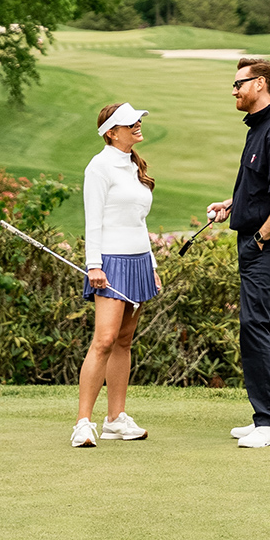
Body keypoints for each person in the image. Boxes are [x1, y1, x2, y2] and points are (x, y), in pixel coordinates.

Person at [206, 58, 270, 449]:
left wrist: (260, 238)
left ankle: (267, 421)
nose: (233, 90)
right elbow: (264, 185)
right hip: (257, 237)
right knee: (269, 326)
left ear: (260, 84)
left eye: (238, 83)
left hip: (266, 244)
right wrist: (235, 203)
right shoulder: (260, 126)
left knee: (254, 327)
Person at [73, 102, 162, 448]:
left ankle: (115, 419)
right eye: (130, 123)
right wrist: (93, 264)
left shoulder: (132, 165)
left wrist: (151, 266)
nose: (137, 125)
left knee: (124, 341)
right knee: (104, 340)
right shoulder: (99, 167)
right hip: (110, 262)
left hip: (139, 261)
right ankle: (83, 422)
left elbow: (139, 224)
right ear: (111, 132)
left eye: (137, 120)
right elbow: (92, 220)